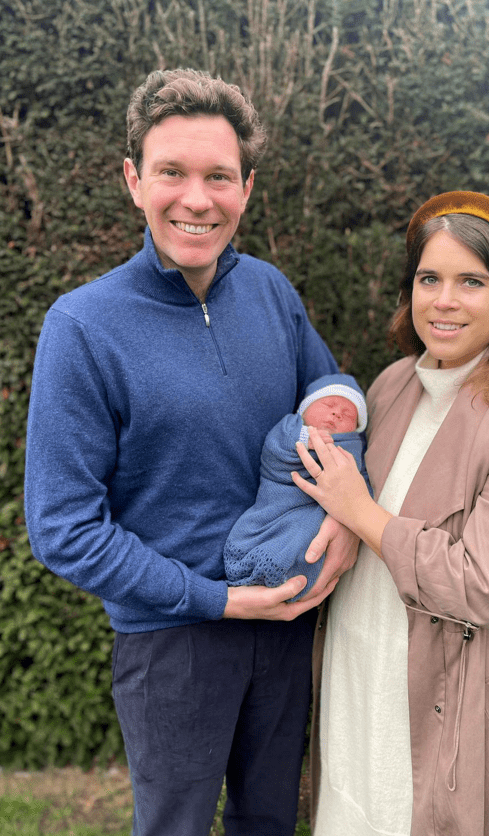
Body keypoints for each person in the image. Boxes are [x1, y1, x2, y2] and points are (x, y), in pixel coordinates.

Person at [24, 68, 359, 836]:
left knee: (271, 820)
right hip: (172, 644)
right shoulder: (82, 327)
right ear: (134, 181)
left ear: (246, 187)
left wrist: (347, 520)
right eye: (171, 172)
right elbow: (63, 527)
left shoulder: (273, 292)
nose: (197, 199)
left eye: (218, 176)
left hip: (288, 625)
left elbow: (335, 407)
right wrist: (217, 599)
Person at [293, 192, 489, 836]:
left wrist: (359, 510)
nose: (444, 301)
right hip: (364, 665)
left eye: (471, 282)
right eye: (429, 279)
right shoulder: (394, 383)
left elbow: (480, 587)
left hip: (474, 688)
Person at [224, 373, 368, 600]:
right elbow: (274, 450)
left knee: (307, 535)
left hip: (315, 510)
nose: (336, 413)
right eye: (329, 405)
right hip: (282, 498)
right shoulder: (291, 426)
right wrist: (304, 439)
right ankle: (252, 566)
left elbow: (361, 483)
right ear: (305, 409)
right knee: (272, 531)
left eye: (348, 413)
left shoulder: (354, 447)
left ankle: (295, 580)